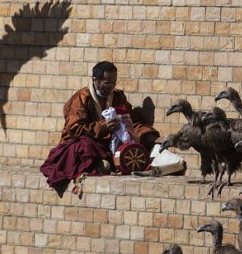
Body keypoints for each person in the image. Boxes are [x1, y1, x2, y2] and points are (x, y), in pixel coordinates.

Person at [39, 61, 159, 197]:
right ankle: (99, 163)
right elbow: (75, 128)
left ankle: (106, 162)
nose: (111, 86)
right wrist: (103, 127)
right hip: (87, 140)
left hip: (110, 143)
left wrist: (146, 134)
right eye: (107, 83)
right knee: (84, 145)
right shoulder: (81, 98)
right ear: (95, 80)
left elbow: (131, 121)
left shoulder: (118, 97)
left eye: (114, 83)